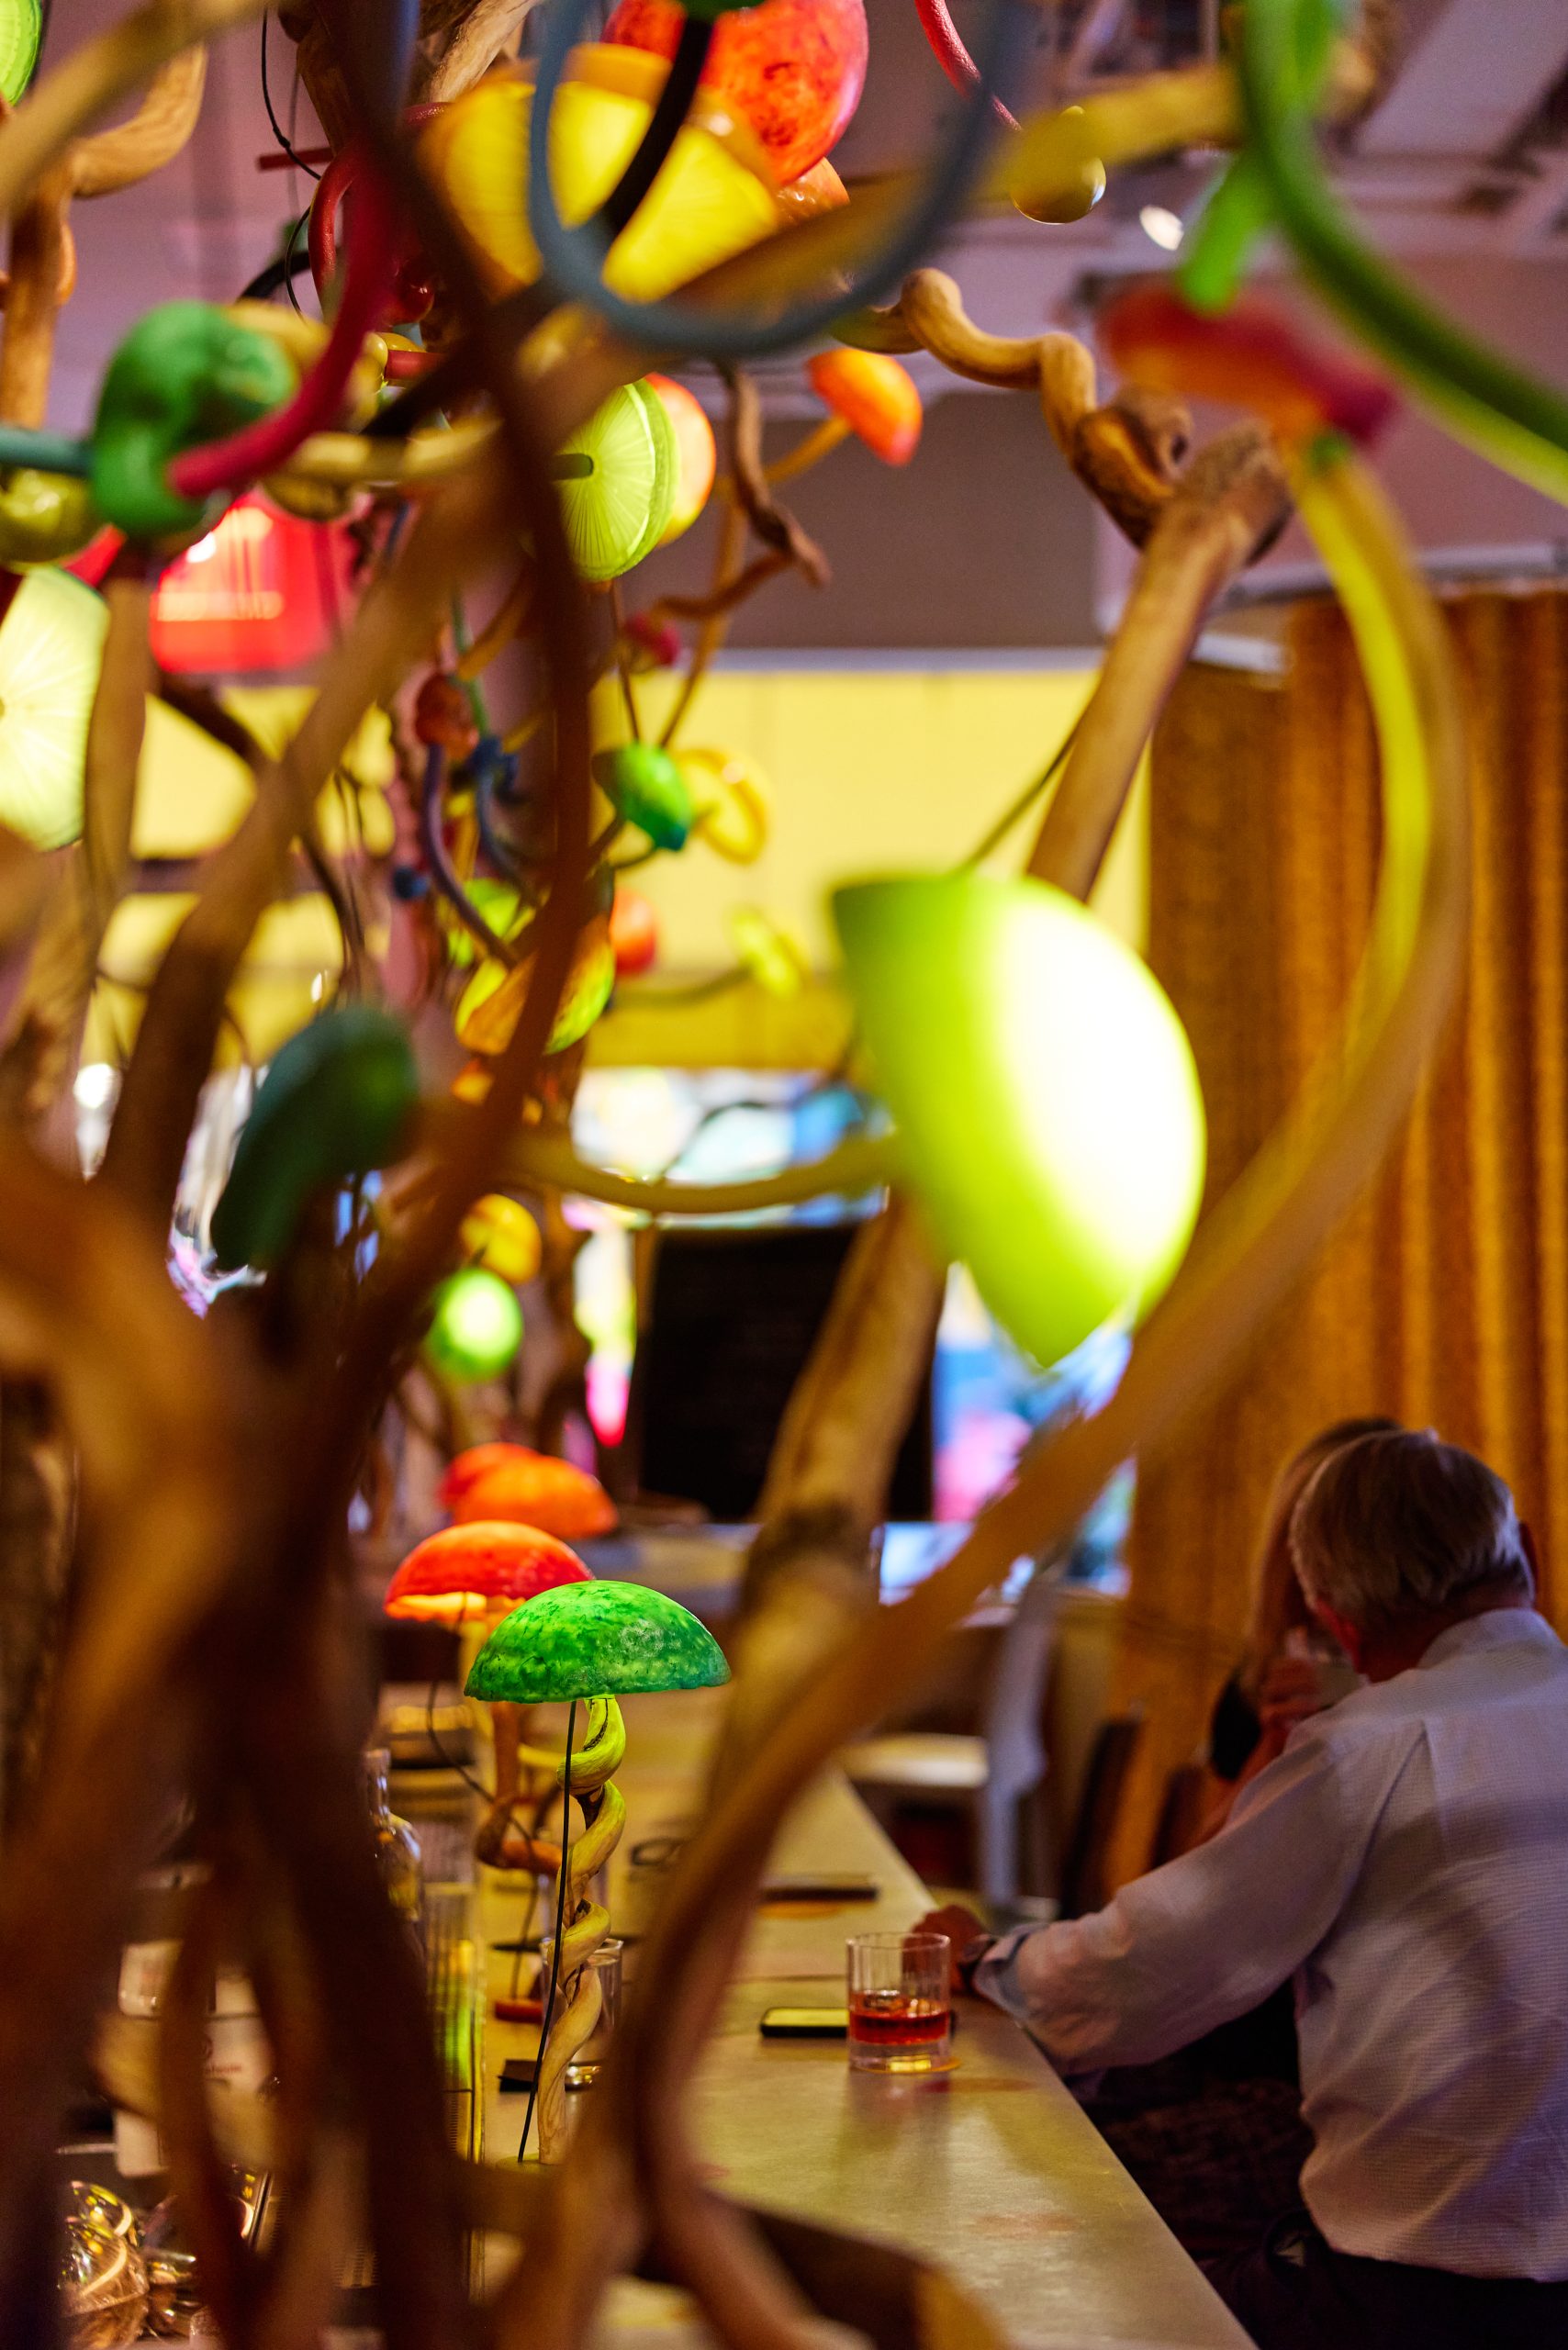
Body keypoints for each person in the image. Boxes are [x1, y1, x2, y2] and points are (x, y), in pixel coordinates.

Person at [924, 1429, 1568, 2349]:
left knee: (1057, 2274)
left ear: (1333, 1615)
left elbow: (1147, 1964)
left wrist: (986, 1962)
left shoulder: (1363, 1752)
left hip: (1412, 2302)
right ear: (1531, 1556)